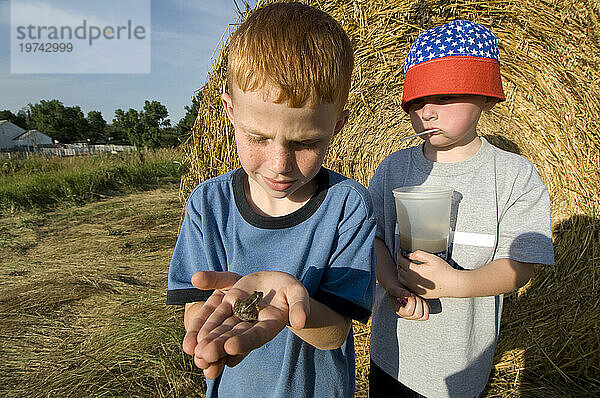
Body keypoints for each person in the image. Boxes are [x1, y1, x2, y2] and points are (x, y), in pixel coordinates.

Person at [166, 3, 376, 397]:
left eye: (306, 143)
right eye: (259, 137)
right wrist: (210, 326)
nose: (280, 164)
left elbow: (335, 334)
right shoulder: (209, 205)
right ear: (229, 111)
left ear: (338, 127)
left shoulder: (348, 206)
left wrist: (294, 303)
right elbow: (193, 310)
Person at [368, 20, 555, 397]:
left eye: (445, 98)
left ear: (485, 97)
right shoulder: (394, 168)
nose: (428, 113)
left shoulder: (513, 176)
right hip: (391, 355)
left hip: (461, 368)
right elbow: (373, 240)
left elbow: (520, 266)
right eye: (418, 102)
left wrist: (458, 284)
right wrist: (391, 283)